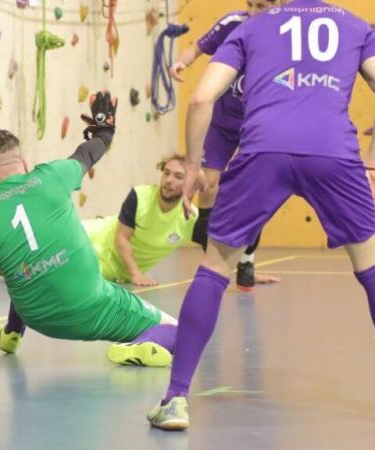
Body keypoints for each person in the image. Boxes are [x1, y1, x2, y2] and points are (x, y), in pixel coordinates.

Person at [147, 0, 375, 430]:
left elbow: (200, 98)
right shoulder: (358, 25)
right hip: (333, 152)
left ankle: (175, 399)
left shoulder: (252, 26)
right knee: (370, 268)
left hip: (262, 149)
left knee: (214, 268)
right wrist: (371, 156)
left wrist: (194, 165)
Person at [0, 92, 178, 368]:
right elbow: (90, 151)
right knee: (179, 333)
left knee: (22, 261)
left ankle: (11, 334)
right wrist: (105, 129)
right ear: (23, 164)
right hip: (90, 306)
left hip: (39, 318)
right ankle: (140, 346)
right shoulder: (52, 176)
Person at [171, 0, 284, 290]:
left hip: (257, 125)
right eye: (252, 5)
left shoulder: (286, 32)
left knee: (255, 192)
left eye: (262, 6)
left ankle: (246, 261)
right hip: (221, 122)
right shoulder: (234, 23)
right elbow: (196, 47)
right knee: (208, 183)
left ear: (280, 5)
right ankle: (209, 243)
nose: (256, 12)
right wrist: (183, 61)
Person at [84, 155, 198, 287]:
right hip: (92, 237)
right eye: (166, 173)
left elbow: (215, 246)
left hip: (111, 270)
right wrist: (136, 274)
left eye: (178, 176)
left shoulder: (192, 218)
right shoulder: (140, 196)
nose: (169, 180)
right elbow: (121, 238)